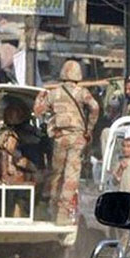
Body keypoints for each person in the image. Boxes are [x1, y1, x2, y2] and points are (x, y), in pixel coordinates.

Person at [34, 60, 99, 225]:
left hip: (60, 138)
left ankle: (52, 208)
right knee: (71, 175)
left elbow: (38, 111)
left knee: (57, 174)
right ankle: (63, 213)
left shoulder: (54, 93)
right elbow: (95, 108)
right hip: (77, 138)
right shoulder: (82, 92)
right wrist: (89, 129)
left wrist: (39, 98)